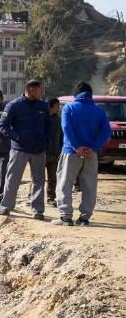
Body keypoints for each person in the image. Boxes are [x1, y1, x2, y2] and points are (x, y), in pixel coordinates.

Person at [55, 81, 112, 226]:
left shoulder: (69, 108)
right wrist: (94, 147)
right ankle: (85, 218)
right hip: (91, 154)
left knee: (65, 183)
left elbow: (66, 128)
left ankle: (66, 217)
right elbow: (106, 131)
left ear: (76, 94)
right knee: (89, 185)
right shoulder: (99, 110)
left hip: (72, 152)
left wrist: (76, 146)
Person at [0, 79, 51, 220]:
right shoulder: (14, 105)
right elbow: (3, 126)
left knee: (39, 181)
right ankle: (6, 207)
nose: (41, 92)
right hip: (19, 150)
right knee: (13, 178)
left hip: (39, 150)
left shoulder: (43, 106)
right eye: (40, 90)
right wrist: (18, 138)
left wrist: (45, 141)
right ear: (31, 89)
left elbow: (48, 126)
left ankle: (38, 210)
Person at [45, 97, 63, 206]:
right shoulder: (42, 118)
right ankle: (32, 197)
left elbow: (62, 136)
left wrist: (60, 149)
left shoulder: (59, 120)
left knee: (53, 178)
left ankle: (51, 198)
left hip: (55, 153)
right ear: (51, 106)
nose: (59, 108)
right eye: (57, 106)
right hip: (42, 153)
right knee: (37, 177)